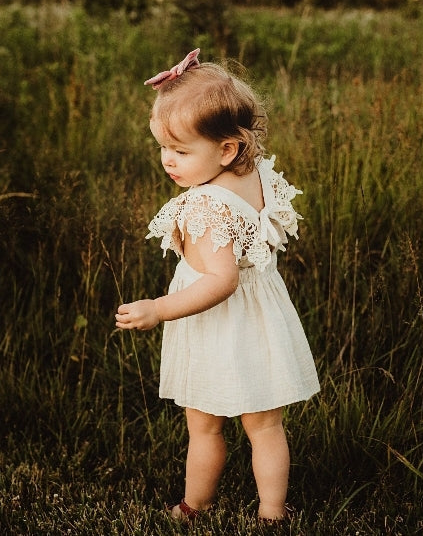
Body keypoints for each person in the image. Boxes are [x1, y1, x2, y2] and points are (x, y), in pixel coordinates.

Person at [115, 49, 319, 523]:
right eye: (163, 148)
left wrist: (159, 308)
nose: (168, 161)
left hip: (217, 323)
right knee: (266, 426)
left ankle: (195, 505)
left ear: (226, 148)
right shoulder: (256, 175)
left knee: (205, 426)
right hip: (261, 317)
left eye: (181, 151)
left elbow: (221, 280)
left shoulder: (206, 204)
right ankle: (273, 511)